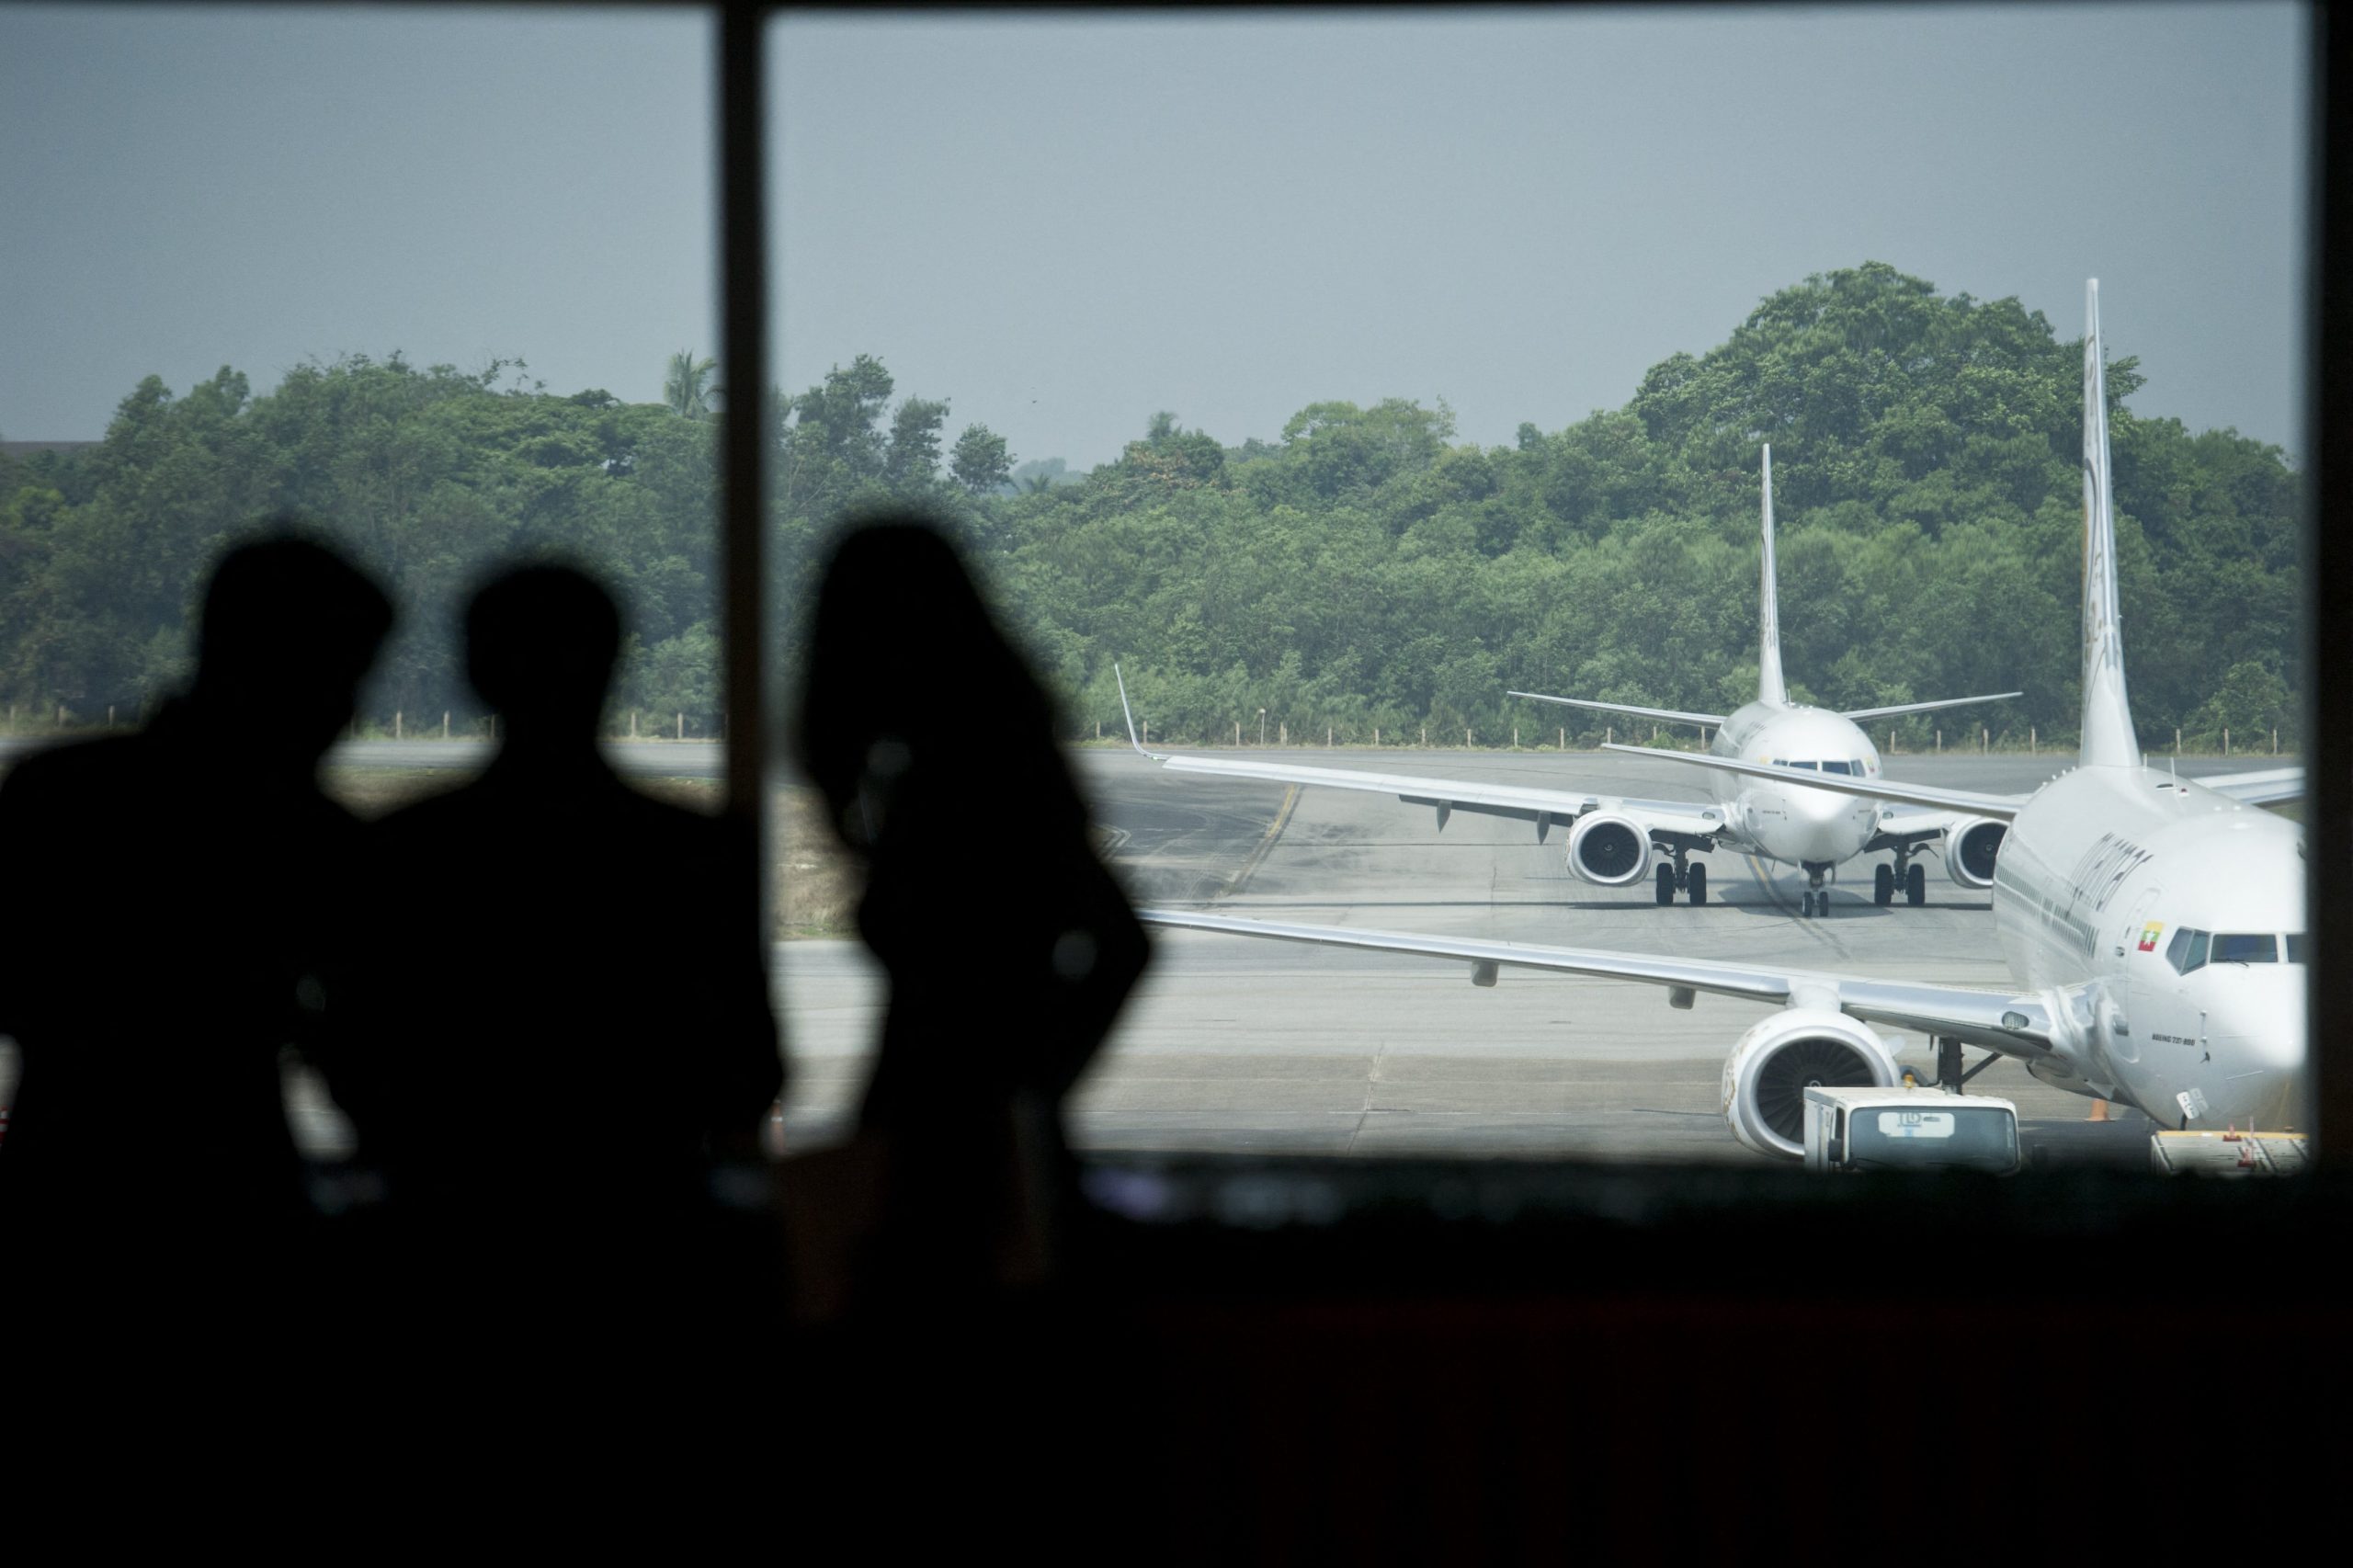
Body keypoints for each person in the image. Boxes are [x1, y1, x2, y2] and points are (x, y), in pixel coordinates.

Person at [335, 562, 782, 1360]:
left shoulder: (402, 853)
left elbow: (355, 1065)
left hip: (444, 1240)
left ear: (473, 672)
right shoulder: (700, 853)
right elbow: (753, 1070)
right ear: (615, 664)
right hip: (652, 1236)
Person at [0, 530, 391, 1249]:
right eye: (342, 679)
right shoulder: (317, 836)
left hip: (51, 1175)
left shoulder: (54, 792)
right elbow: (361, 1047)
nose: (349, 713)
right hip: (239, 1188)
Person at [793, 517, 1148, 1305]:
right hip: (977, 1148)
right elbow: (1120, 947)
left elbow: (1121, 945)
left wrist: (1011, 1094)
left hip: (949, 1159)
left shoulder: (959, 786)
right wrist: (1033, 1088)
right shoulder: (942, 774)